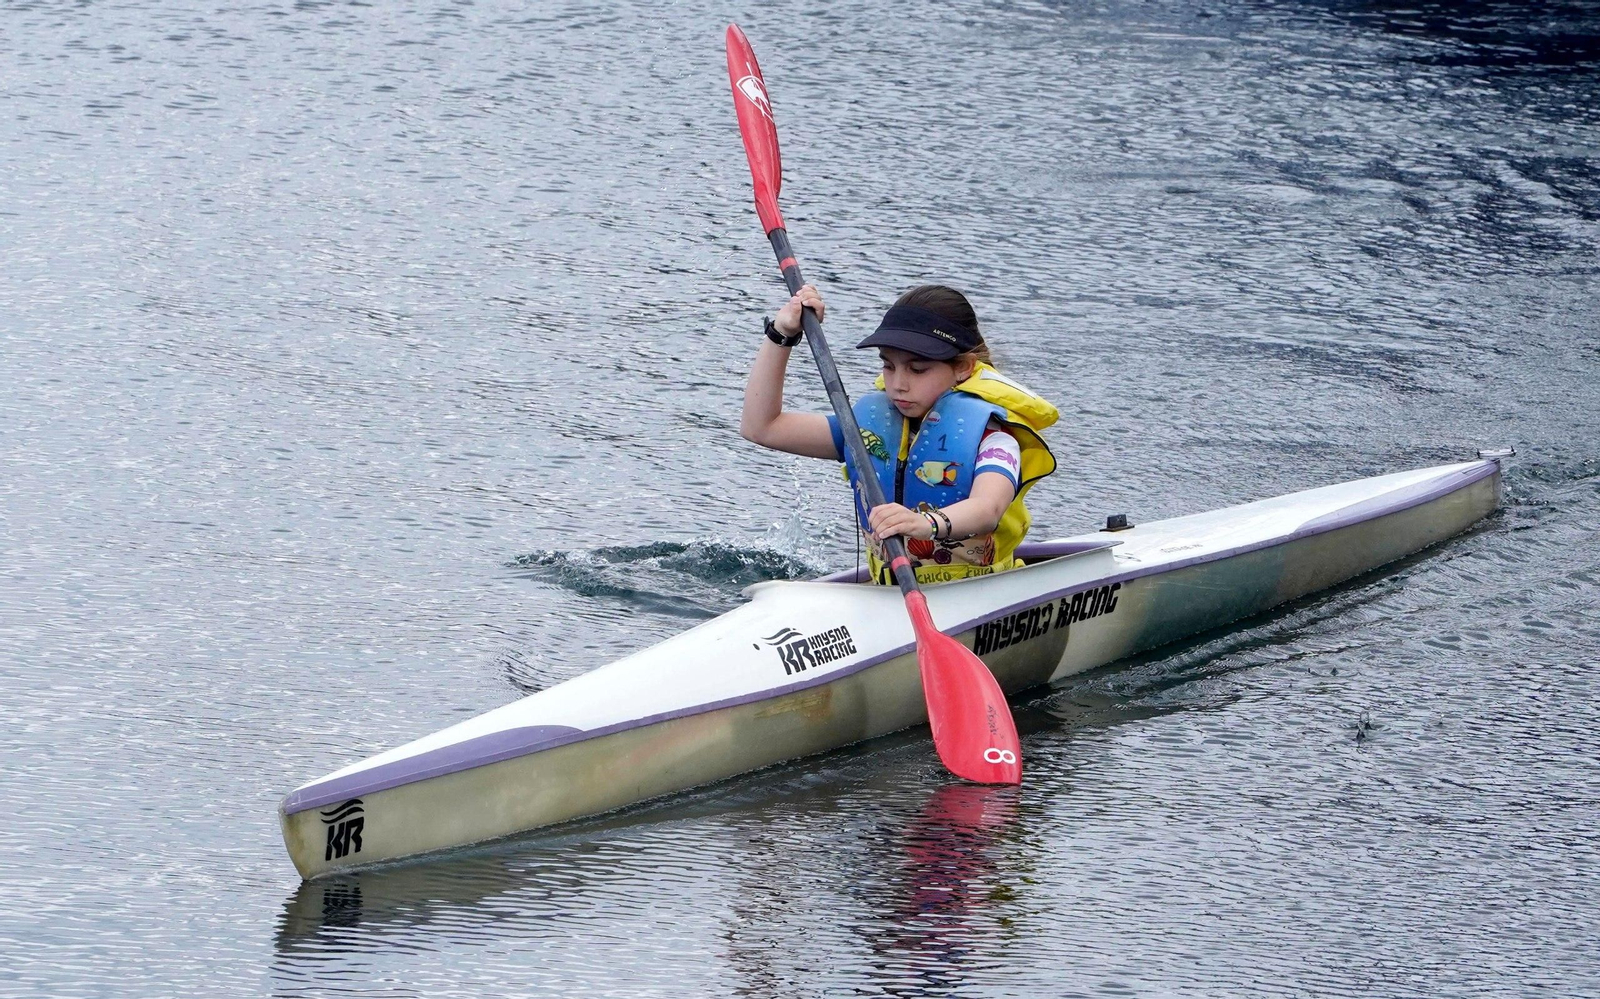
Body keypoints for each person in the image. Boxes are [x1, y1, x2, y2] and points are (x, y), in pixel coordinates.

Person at [741, 283, 1059, 584]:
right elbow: (762, 427)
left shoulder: (994, 438)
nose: (898, 384)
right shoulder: (868, 430)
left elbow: (987, 509)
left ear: (963, 367)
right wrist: (781, 333)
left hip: (981, 590)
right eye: (889, 366)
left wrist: (925, 524)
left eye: (917, 370)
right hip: (891, 594)